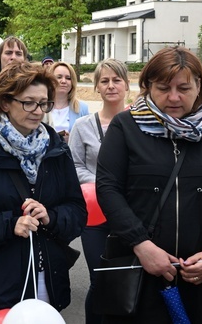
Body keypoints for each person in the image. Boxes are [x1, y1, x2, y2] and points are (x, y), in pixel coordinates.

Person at [0, 61, 86, 322]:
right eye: (28, 102)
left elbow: (77, 212)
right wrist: (10, 224)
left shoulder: (57, 149)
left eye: (44, 103)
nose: (37, 111)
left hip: (46, 280)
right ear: (5, 103)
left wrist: (51, 216)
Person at [96, 46, 202, 323]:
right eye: (164, 88)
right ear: (148, 86)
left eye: (183, 88)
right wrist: (142, 245)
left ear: (199, 86)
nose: (174, 97)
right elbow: (108, 189)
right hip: (141, 276)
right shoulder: (125, 127)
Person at [68, 59, 129, 324]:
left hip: (131, 213)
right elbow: (74, 166)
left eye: (116, 80)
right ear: (96, 87)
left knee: (127, 277)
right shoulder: (83, 126)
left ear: (127, 85)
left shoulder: (140, 123)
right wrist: (103, 185)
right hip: (95, 216)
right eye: (104, 81)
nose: (111, 85)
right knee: (99, 277)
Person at [48, 61, 89, 142]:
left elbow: (87, 139)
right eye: (59, 77)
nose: (63, 81)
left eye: (68, 78)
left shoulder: (82, 108)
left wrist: (72, 140)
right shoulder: (41, 107)